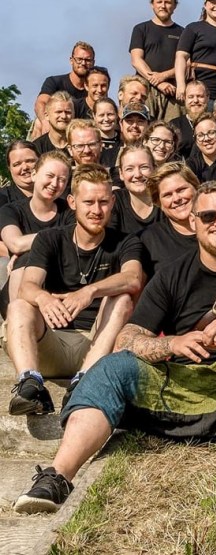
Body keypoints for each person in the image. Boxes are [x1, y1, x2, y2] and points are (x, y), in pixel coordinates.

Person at [13, 182, 216, 514]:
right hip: (183, 389)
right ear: (194, 220)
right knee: (111, 367)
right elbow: (128, 338)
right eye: (209, 216)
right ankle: (58, 476)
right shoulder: (174, 274)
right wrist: (173, 343)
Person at [5, 164, 143, 415]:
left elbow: (133, 278)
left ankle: (83, 382)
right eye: (88, 202)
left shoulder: (126, 242)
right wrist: (43, 298)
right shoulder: (50, 238)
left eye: (103, 202)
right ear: (72, 202)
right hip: (51, 342)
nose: (96, 210)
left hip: (98, 343)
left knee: (123, 298)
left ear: (113, 202)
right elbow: (27, 287)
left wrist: (89, 291)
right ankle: (30, 384)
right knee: (19, 305)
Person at [0, 151, 72, 302]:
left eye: (62, 180)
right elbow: (16, 244)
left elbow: (75, 239)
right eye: (50, 176)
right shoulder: (11, 210)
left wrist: (31, 248)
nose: (55, 184)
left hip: (59, 284)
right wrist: (58, 237)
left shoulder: (69, 212)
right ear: (34, 175)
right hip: (18, 286)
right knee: (25, 259)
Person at [130, 0, 184, 120]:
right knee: (143, 126)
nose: (163, 6)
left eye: (167, 2)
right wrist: (158, 82)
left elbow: (187, 63)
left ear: (175, 6)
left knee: (173, 129)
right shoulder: (140, 29)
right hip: (145, 91)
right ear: (152, 5)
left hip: (172, 92)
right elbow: (136, 60)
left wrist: (164, 76)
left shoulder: (183, 33)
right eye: (159, 2)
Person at [138, 162, 200, 279]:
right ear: (158, 202)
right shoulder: (149, 239)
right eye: (167, 195)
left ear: (196, 188)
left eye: (181, 190)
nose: (176, 198)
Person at [33, 42, 93, 138]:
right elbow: (40, 103)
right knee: (38, 123)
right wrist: (45, 122)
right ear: (71, 60)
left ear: (93, 62)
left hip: (82, 128)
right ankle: (34, 147)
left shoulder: (95, 89)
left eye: (88, 60)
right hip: (57, 124)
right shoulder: (54, 82)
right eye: (79, 59)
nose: (83, 63)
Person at [109, 146, 158, 235]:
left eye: (144, 167)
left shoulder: (166, 199)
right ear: (121, 173)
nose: (138, 175)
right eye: (129, 169)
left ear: (154, 169)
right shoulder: (114, 200)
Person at [169, 81, 209, 158]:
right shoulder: (174, 125)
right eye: (191, 97)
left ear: (208, 98)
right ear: (184, 98)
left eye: (200, 96)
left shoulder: (215, 124)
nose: (195, 100)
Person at [1, 141, 39, 207]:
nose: (25, 167)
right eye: (17, 164)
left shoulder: (56, 193)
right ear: (9, 169)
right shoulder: (3, 199)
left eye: (30, 161)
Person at [185, 113, 216, 182]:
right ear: (195, 140)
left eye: (211, 133)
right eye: (200, 135)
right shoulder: (190, 166)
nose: (206, 139)